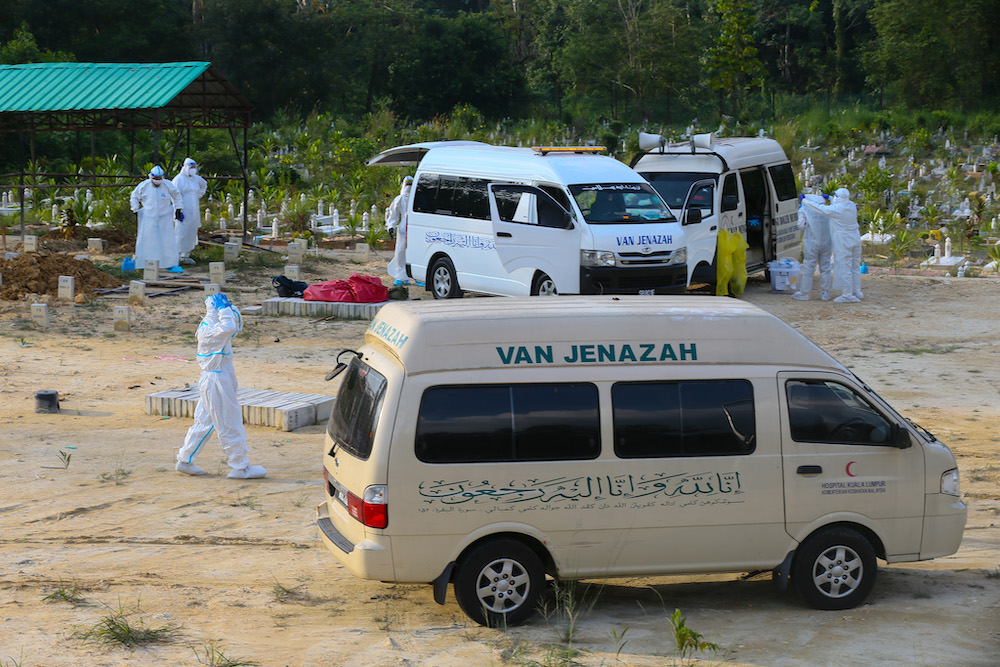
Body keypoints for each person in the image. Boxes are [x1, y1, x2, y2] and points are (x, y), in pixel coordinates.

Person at [176, 293, 267, 479]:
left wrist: (224, 308)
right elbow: (230, 326)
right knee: (229, 422)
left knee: (204, 422)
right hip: (217, 382)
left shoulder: (209, 325)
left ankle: (185, 459)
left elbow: (233, 326)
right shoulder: (211, 332)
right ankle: (240, 466)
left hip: (215, 380)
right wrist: (224, 309)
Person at [130, 165, 184, 272]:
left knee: (167, 241)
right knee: (147, 241)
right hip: (148, 218)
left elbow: (177, 195)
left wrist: (178, 208)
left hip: (165, 218)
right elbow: (134, 196)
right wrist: (135, 209)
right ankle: (146, 263)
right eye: (156, 178)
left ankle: (170, 263)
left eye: (160, 178)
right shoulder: (144, 185)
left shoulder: (168, 185)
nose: (158, 181)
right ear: (151, 177)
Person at [792, 194, 834, 301]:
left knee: (809, 267)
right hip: (826, 242)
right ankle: (825, 293)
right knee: (825, 267)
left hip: (810, 241)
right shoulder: (827, 209)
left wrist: (806, 233)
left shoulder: (805, 209)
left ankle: (804, 293)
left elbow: (801, 225)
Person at [827, 188, 863, 303]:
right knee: (855, 266)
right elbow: (838, 203)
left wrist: (807, 201)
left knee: (845, 267)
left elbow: (821, 209)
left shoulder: (836, 209)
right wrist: (830, 198)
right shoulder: (851, 205)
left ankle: (847, 294)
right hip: (855, 239)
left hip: (844, 242)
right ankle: (856, 291)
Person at [172, 157, 208, 264]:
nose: (193, 169)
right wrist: (178, 209)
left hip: (194, 210)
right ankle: (176, 255)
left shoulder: (196, 179)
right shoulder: (179, 179)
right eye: (191, 167)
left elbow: (204, 185)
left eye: (194, 167)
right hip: (183, 210)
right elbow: (174, 195)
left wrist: (198, 195)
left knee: (191, 232)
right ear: (186, 167)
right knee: (180, 232)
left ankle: (186, 255)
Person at [386, 176, 413, 285]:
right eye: (407, 184)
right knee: (401, 252)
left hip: (415, 228)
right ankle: (401, 276)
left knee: (414, 252)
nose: (409, 187)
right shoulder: (399, 199)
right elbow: (393, 214)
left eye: (411, 184)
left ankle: (417, 277)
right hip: (403, 229)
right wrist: (391, 226)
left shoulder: (418, 197)